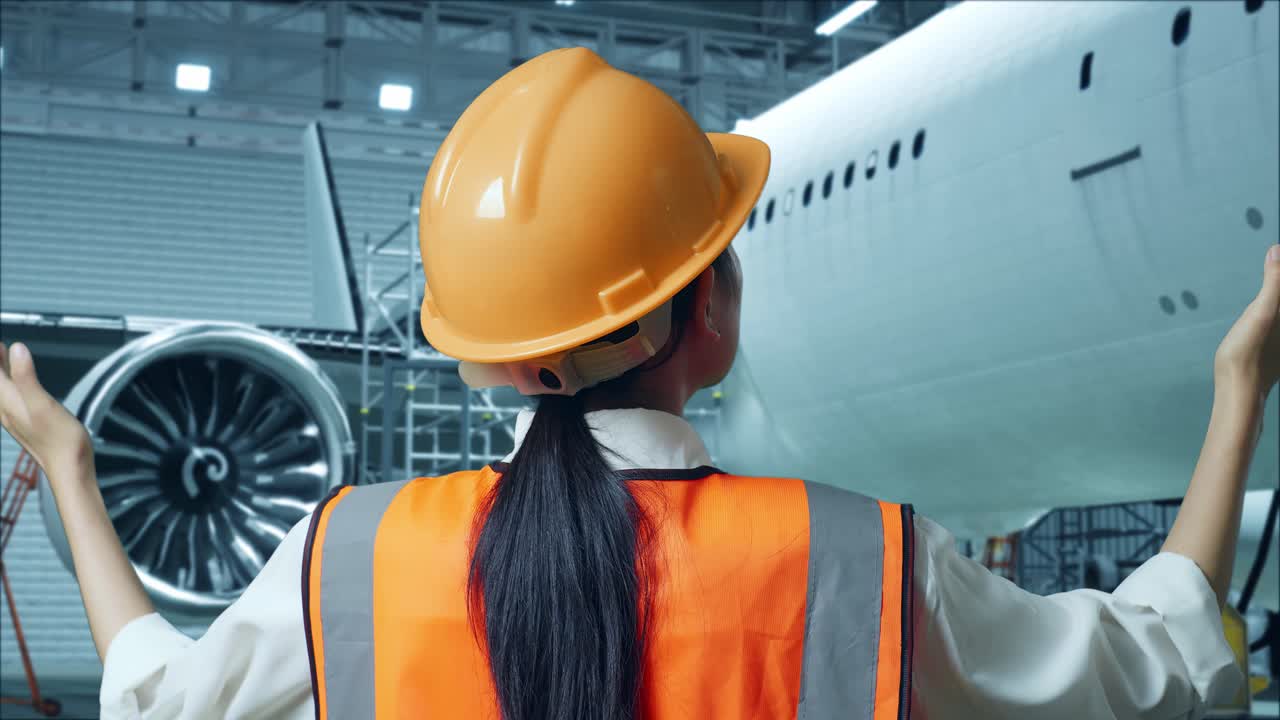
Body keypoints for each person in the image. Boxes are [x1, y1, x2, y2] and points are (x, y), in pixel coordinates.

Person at [0, 46, 1276, 720]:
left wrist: (71, 467)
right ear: (709, 312)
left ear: (486, 355)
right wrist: (1235, 394)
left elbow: (154, 699)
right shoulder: (866, 561)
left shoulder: (346, 560)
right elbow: (1157, 668)